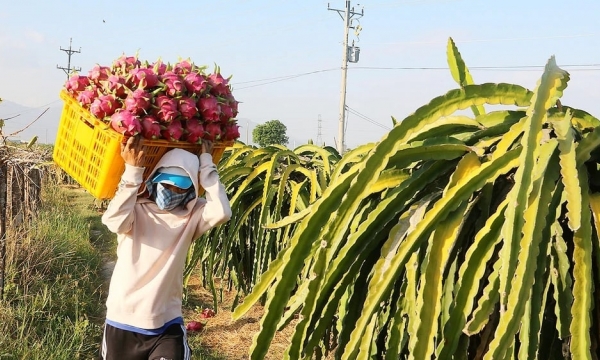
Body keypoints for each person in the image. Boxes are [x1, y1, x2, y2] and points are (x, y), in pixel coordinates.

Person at [100, 136, 232, 360]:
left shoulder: (192, 216)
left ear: (191, 191)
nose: (170, 191)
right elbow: (113, 221)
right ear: (154, 181)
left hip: (166, 322)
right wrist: (132, 171)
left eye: (179, 189)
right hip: (123, 319)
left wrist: (207, 165)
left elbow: (222, 211)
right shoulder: (136, 210)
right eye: (165, 184)